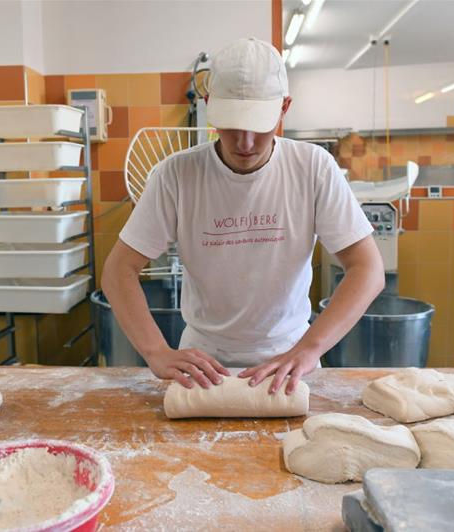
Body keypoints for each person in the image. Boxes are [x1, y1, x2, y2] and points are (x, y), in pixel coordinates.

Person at [102, 38, 384, 395]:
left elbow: (368, 269)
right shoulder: (176, 175)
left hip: (289, 361)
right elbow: (118, 270)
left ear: (284, 108)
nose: (246, 142)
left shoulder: (313, 168)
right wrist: (156, 351)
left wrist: (309, 349)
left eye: (259, 125)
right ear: (208, 105)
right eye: (233, 125)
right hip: (205, 366)